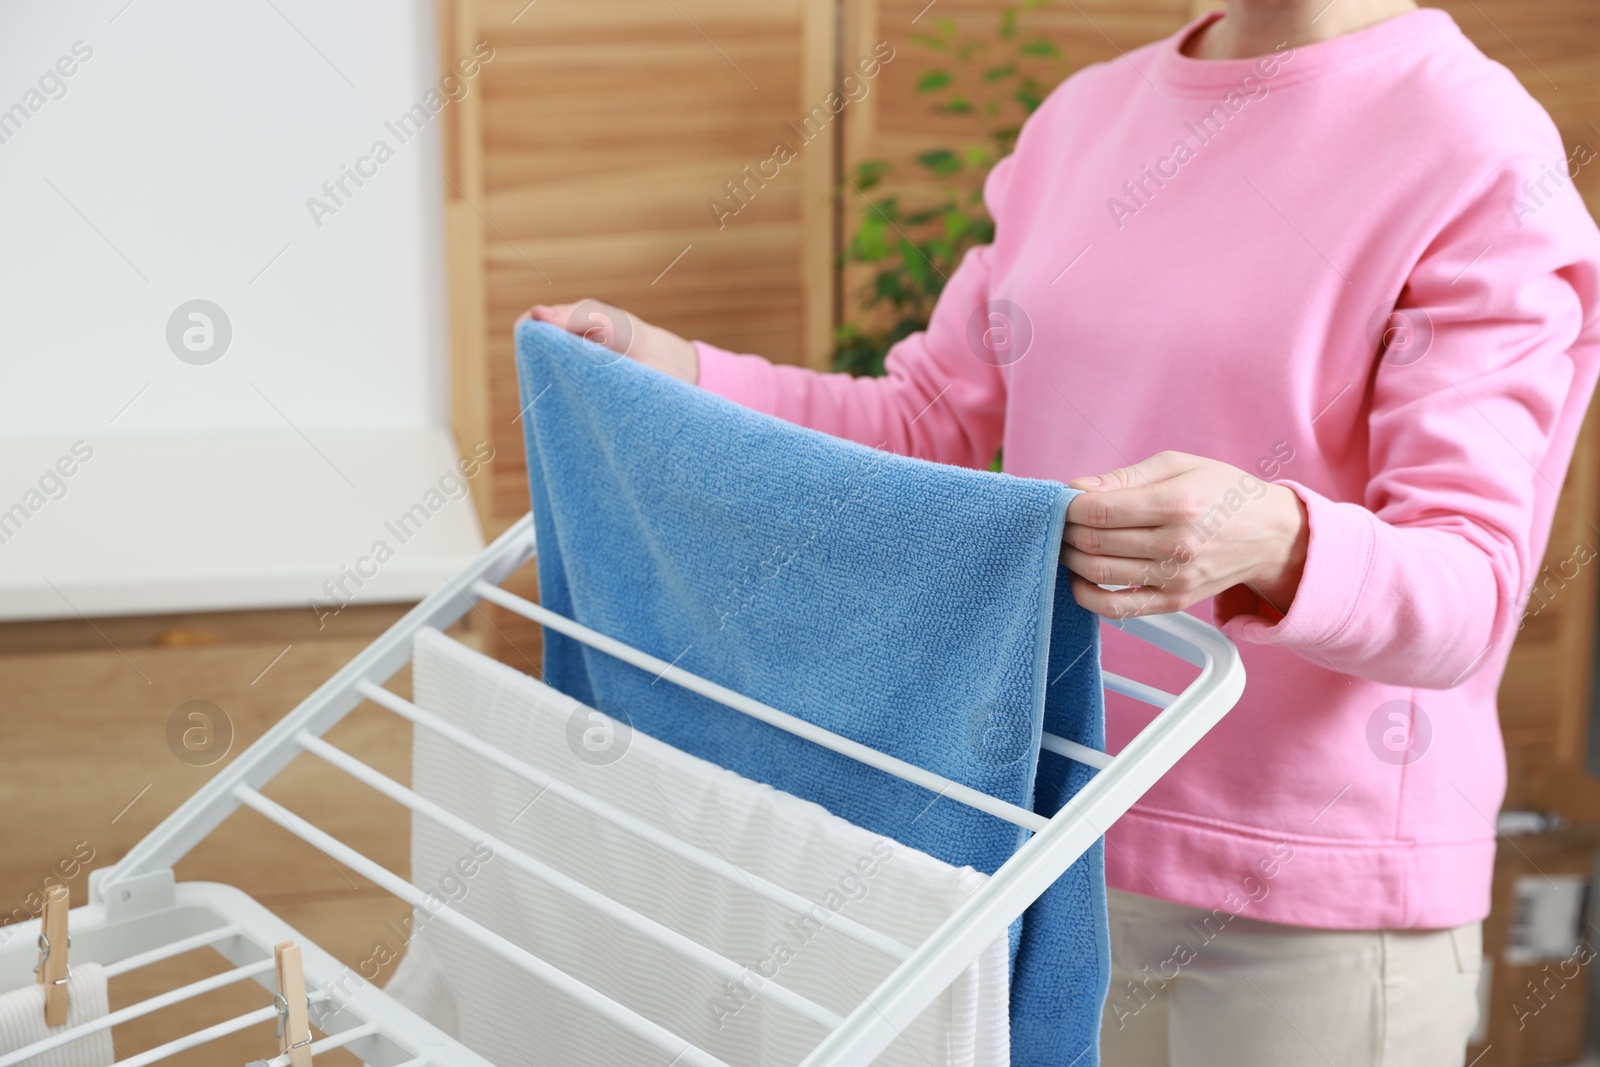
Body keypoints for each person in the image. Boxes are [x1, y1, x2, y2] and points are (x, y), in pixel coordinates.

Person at [524, 0, 1600, 1061]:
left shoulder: (1473, 147)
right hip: (1048, 833)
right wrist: (678, 372)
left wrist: (1273, 535)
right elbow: (928, 418)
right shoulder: (1084, 120)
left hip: (1312, 898)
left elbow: (1469, 586)